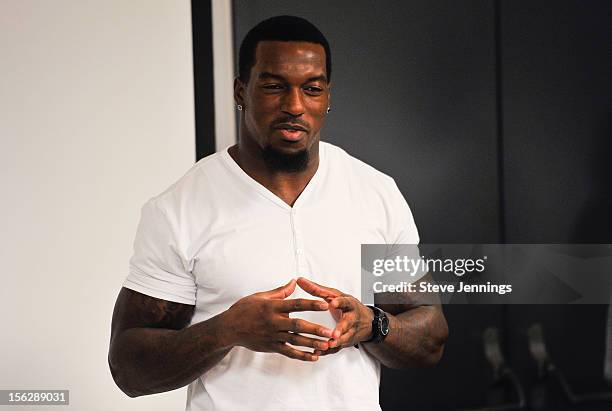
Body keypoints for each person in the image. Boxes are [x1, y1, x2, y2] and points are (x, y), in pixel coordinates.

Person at [108, 15, 448, 411]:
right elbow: (128, 369)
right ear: (241, 91)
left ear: (328, 97)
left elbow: (431, 338)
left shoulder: (376, 193)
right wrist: (227, 330)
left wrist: (373, 325)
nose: (294, 106)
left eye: (312, 89)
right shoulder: (179, 209)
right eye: (273, 87)